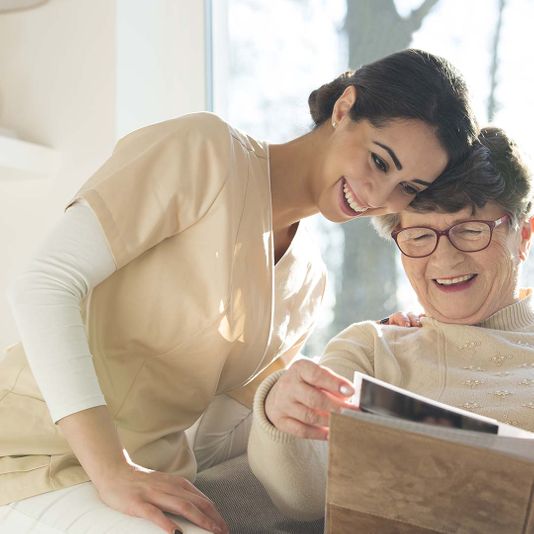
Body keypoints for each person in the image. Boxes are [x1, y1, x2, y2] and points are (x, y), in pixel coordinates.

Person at [0, 49, 477, 534]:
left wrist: (342, 390)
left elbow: (213, 444)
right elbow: (44, 286)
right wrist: (113, 470)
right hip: (32, 459)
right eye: (379, 160)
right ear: (344, 108)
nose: (378, 197)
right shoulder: (204, 151)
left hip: (151, 485)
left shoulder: (308, 283)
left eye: (406, 189)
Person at [248, 126, 534, 521]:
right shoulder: (372, 348)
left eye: (470, 231)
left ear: (523, 235)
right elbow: (306, 498)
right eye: (419, 236)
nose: (445, 260)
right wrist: (281, 411)